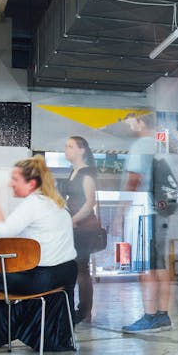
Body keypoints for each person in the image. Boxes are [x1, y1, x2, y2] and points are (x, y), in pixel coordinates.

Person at [0, 156, 78, 349]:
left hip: (42, 278)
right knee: (6, 275)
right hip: (65, 276)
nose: (10, 183)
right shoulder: (57, 204)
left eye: (15, 179)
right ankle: (40, 335)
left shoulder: (34, 204)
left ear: (31, 183)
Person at [122, 114, 175, 333]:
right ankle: (162, 315)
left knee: (146, 267)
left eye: (131, 121)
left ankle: (150, 316)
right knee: (159, 265)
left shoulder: (141, 145)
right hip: (160, 212)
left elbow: (134, 179)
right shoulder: (161, 146)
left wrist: (120, 211)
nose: (128, 125)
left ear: (141, 122)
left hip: (145, 212)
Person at [63, 136, 104, 324]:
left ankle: (85, 311)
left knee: (82, 268)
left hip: (83, 227)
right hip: (75, 226)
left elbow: (90, 202)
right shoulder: (74, 171)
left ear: (81, 150)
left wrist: (74, 219)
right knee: (76, 267)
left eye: (70, 146)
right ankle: (78, 309)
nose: (66, 149)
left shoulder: (86, 173)